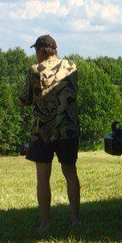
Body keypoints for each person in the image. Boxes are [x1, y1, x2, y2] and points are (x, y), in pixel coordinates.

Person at [20, 34, 80, 232]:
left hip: (43, 131)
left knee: (43, 177)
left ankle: (45, 223)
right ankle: (75, 219)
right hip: (68, 128)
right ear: (55, 49)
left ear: (40, 51)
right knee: (70, 172)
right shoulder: (72, 66)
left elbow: (25, 99)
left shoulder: (34, 70)